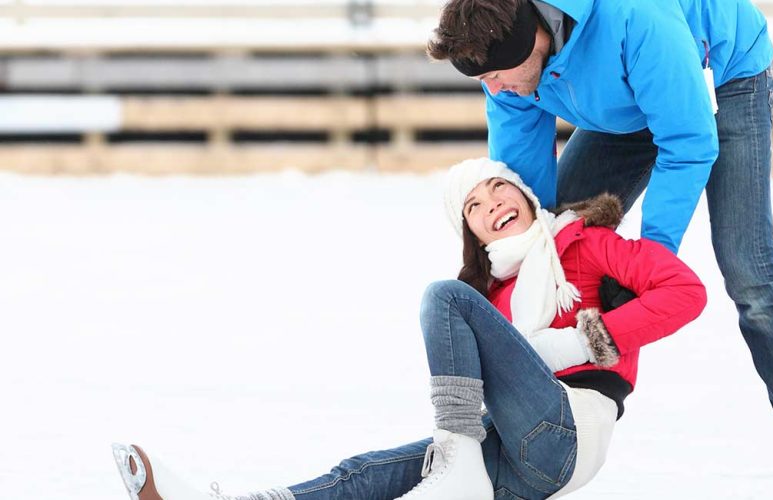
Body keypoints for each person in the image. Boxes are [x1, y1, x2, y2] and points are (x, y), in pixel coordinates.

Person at [426, 1, 773, 499]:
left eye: (497, 75)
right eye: (484, 80)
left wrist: (647, 265)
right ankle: (549, 410)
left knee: (748, 266)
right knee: (554, 243)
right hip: (622, 105)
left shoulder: (634, 18)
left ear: (531, 41)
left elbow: (686, 140)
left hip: (722, 77)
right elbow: (527, 199)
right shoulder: (506, 65)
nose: (493, 88)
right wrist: (523, 253)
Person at [112, 157, 707, 500]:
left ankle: (455, 464)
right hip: (521, 456)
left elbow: (686, 292)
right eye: (473, 205)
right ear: (473, 234)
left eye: (498, 185)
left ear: (524, 194)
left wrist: (583, 340)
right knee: (376, 473)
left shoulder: (587, 244)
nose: (491, 201)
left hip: (571, 429)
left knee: (442, 299)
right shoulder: (491, 299)